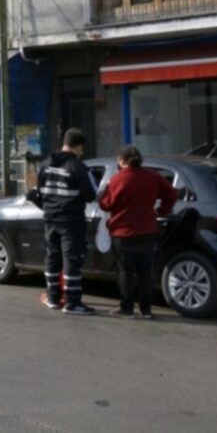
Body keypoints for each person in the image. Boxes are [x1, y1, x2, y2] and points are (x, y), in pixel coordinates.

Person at [98, 145, 177, 320]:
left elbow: (106, 204)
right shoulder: (152, 176)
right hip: (148, 230)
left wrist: (103, 195)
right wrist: (162, 211)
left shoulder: (118, 179)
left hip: (122, 232)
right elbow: (171, 194)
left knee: (126, 272)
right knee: (145, 272)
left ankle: (127, 309)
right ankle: (146, 310)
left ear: (122, 161)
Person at [35, 128, 97, 315]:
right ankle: (73, 302)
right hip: (71, 221)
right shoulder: (78, 167)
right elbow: (91, 195)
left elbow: (39, 191)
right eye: (82, 149)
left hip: (50, 219)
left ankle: (53, 297)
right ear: (78, 146)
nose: (82, 152)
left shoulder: (45, 164)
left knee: (52, 258)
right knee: (71, 261)